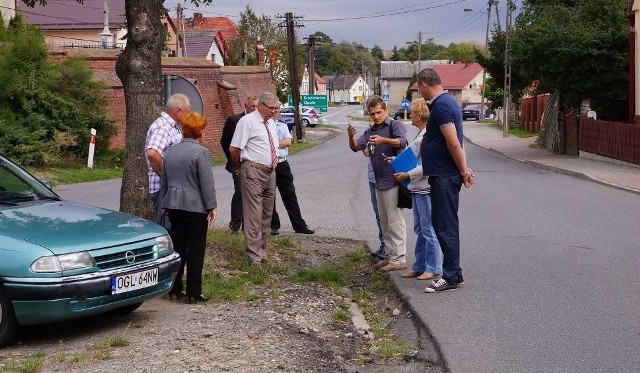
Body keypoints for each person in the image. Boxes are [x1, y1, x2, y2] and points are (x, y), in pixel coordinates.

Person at [416, 68, 474, 293]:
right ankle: (453, 273)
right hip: (445, 173)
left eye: (418, 88)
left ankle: (450, 276)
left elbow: (453, 143)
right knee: (443, 223)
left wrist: (463, 171)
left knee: (445, 225)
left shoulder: (440, 107)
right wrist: (464, 169)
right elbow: (457, 141)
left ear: (423, 85)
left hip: (444, 175)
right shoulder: (448, 102)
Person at [160, 112, 217, 303]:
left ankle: (174, 287)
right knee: (196, 248)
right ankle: (194, 290)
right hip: (195, 206)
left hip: (174, 205)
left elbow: (165, 181)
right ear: (200, 130)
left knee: (178, 247)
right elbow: (206, 183)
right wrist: (211, 206)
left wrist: (165, 203)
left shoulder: (170, 151)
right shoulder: (200, 152)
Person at [348, 95, 408, 272]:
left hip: (393, 178)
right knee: (384, 221)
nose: (376, 116)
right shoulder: (370, 130)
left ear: (386, 111)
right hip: (378, 180)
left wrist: (384, 141)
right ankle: (389, 255)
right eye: (372, 113)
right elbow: (356, 147)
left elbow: (402, 142)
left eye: (379, 112)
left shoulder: (395, 125)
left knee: (395, 221)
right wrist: (351, 137)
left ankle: (399, 257)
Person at [389, 98, 442, 281]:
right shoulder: (421, 134)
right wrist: (396, 163)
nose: (410, 115)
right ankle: (420, 265)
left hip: (424, 188)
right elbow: (412, 156)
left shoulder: (426, 136)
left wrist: (407, 175)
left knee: (428, 229)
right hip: (418, 188)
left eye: (412, 113)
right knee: (420, 228)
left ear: (419, 116)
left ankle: (433, 267)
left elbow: (427, 164)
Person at [229, 92, 280, 264]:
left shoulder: (271, 123)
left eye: (276, 108)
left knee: (267, 214)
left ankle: (262, 251)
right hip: (253, 170)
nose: (274, 111)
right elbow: (234, 149)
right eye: (271, 108)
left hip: (270, 172)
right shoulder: (247, 121)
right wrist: (240, 167)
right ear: (261, 106)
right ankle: (254, 256)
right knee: (253, 215)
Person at [145, 93, 191, 225]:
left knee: (174, 227)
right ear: (178, 111)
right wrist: (166, 176)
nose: (189, 114)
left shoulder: (172, 126)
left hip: (168, 187)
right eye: (188, 111)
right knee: (167, 227)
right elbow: (152, 153)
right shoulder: (163, 127)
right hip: (163, 188)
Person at [270, 111, 315, 236]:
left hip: (282, 164)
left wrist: (273, 144)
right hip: (269, 165)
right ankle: (273, 225)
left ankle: (299, 225)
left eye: (277, 110)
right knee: (270, 197)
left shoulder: (281, 124)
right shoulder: (264, 126)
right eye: (273, 110)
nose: (275, 112)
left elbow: (288, 142)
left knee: (290, 195)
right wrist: (279, 143)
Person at [220, 96, 258, 233]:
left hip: (255, 165)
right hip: (239, 164)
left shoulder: (260, 122)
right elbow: (225, 142)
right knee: (240, 193)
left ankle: (248, 227)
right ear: (245, 106)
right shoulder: (235, 120)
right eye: (252, 106)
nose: (255, 109)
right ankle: (235, 224)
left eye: (257, 106)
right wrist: (234, 162)